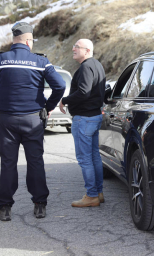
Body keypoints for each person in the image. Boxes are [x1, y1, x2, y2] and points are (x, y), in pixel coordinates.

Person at [0, 22, 66, 221]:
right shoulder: (41, 62)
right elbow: (60, 85)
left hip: (7, 120)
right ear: (29, 40)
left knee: (8, 163)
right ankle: (40, 205)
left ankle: (5, 208)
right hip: (33, 119)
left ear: (14, 39)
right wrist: (48, 107)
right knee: (35, 162)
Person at [59, 39, 106, 207]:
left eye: (77, 47)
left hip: (84, 119)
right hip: (93, 117)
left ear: (87, 50)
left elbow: (84, 92)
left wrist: (64, 100)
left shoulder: (86, 67)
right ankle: (98, 193)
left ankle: (91, 195)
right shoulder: (97, 65)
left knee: (85, 159)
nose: (73, 49)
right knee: (94, 157)